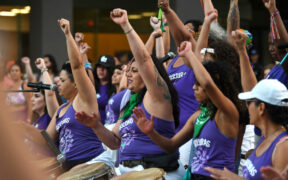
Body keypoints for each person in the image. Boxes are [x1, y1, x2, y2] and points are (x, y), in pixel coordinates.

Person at [76, 8, 185, 179]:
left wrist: (126, 25)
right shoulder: (130, 103)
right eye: (128, 70)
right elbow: (114, 143)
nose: (128, 74)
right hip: (126, 169)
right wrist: (96, 125)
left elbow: (144, 59)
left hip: (154, 170)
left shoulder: (157, 95)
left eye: (134, 71)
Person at [133, 41, 240, 179]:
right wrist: (150, 132)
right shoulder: (197, 116)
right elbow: (171, 145)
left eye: (198, 85)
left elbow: (208, 83)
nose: (194, 88)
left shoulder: (227, 113)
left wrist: (190, 55)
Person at [45, 18, 112, 170]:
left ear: (75, 83)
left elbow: (77, 66)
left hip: (92, 163)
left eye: (62, 80)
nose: (58, 83)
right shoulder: (61, 109)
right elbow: (45, 139)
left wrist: (68, 34)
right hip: (70, 168)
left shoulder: (84, 99)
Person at [206, 79, 288, 180]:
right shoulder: (265, 138)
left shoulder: (283, 147)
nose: (246, 106)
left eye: (249, 102)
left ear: (261, 108)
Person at [94, 55, 116, 124]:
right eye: (99, 66)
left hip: (108, 127)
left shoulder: (115, 87)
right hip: (91, 128)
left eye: (105, 67)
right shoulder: (92, 85)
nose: (101, 70)